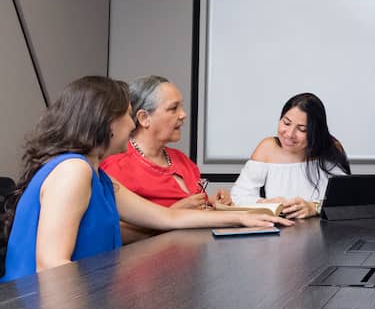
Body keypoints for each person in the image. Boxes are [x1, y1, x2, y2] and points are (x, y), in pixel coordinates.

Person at [1, 76, 291, 282]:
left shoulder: (97, 177)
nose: (132, 124)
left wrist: (242, 218)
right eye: (127, 116)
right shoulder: (73, 171)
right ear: (106, 122)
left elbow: (167, 218)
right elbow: (51, 266)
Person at [100, 76, 232, 242]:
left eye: (181, 107)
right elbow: (110, 233)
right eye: (173, 108)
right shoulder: (116, 166)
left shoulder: (182, 160)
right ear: (144, 118)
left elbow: (195, 212)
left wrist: (213, 204)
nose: (183, 115)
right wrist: (171, 214)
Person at [231, 93, 350, 218]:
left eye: (302, 129)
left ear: (316, 132)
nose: (289, 134)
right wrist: (265, 203)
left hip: (326, 233)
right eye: (286, 123)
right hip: (279, 232)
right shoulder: (268, 148)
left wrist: (314, 207)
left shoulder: (331, 149)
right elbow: (237, 197)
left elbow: (347, 201)